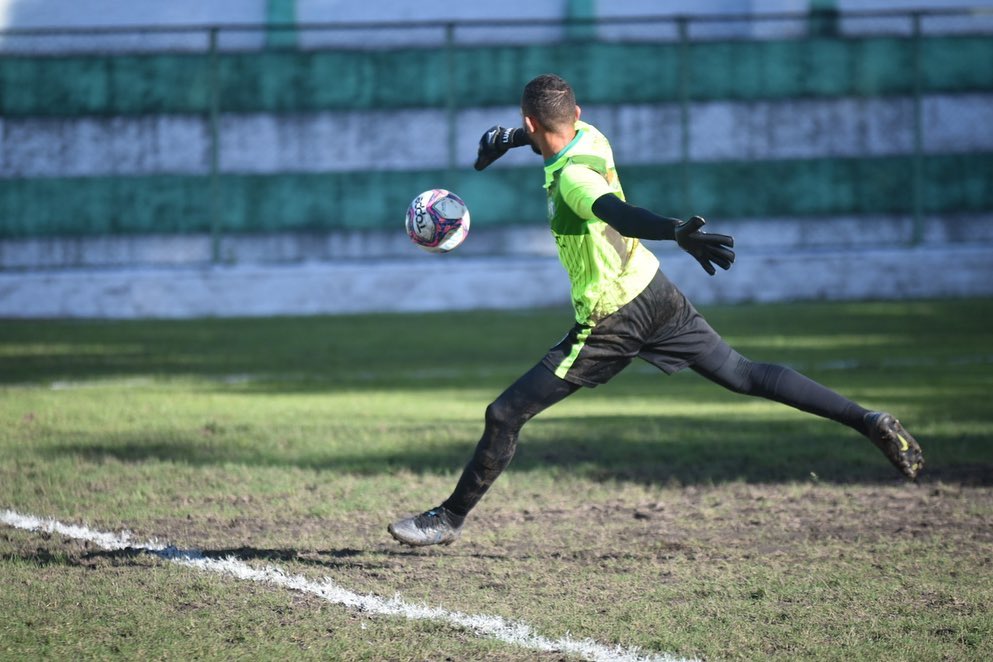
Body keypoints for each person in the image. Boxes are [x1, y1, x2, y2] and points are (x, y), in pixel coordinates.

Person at [388, 73, 924, 547]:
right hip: (654, 290)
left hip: (609, 320)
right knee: (743, 373)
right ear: (573, 114)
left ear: (531, 119)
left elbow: (617, 211)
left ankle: (448, 519)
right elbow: (549, 135)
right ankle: (867, 419)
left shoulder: (573, 181)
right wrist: (507, 140)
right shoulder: (588, 135)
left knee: (504, 414)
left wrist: (672, 230)